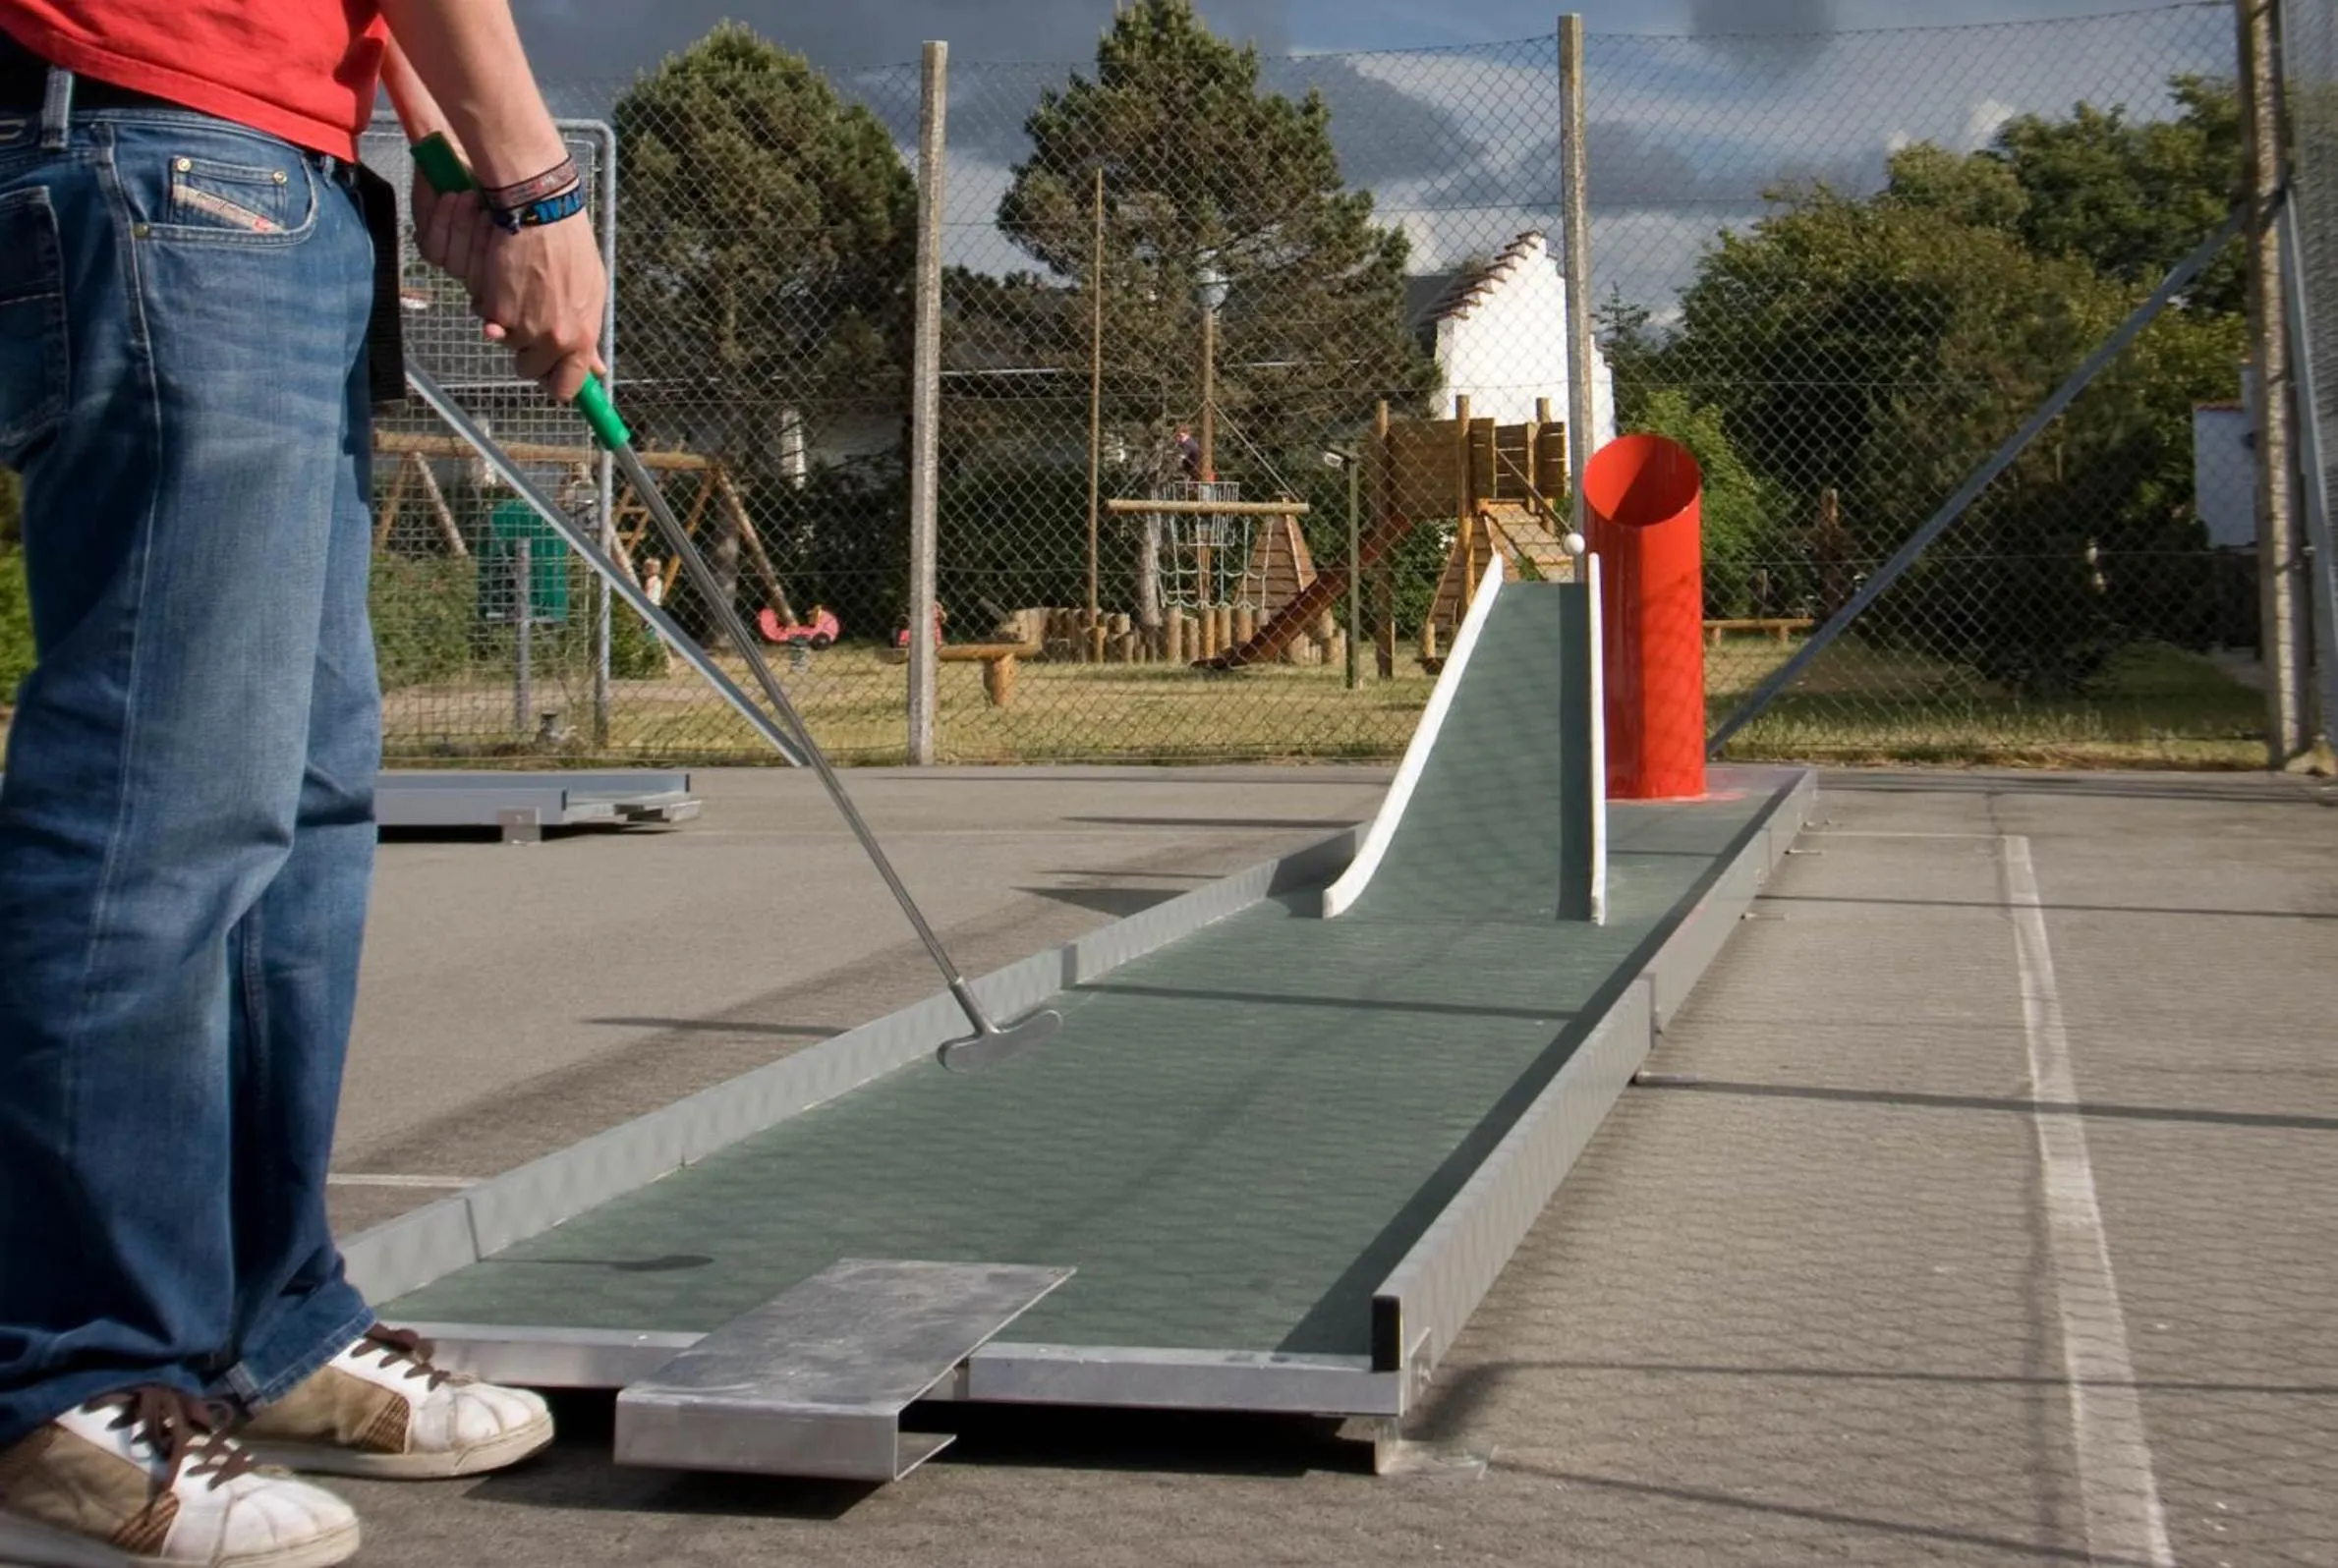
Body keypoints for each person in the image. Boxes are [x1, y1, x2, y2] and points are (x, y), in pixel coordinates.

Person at [0, 4, 605, 1565]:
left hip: (283, 162)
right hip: (170, 143)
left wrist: (451, 157)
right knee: (164, 796)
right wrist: (540, 195)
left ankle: (263, 1329)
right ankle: (78, 1381)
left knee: (301, 810)